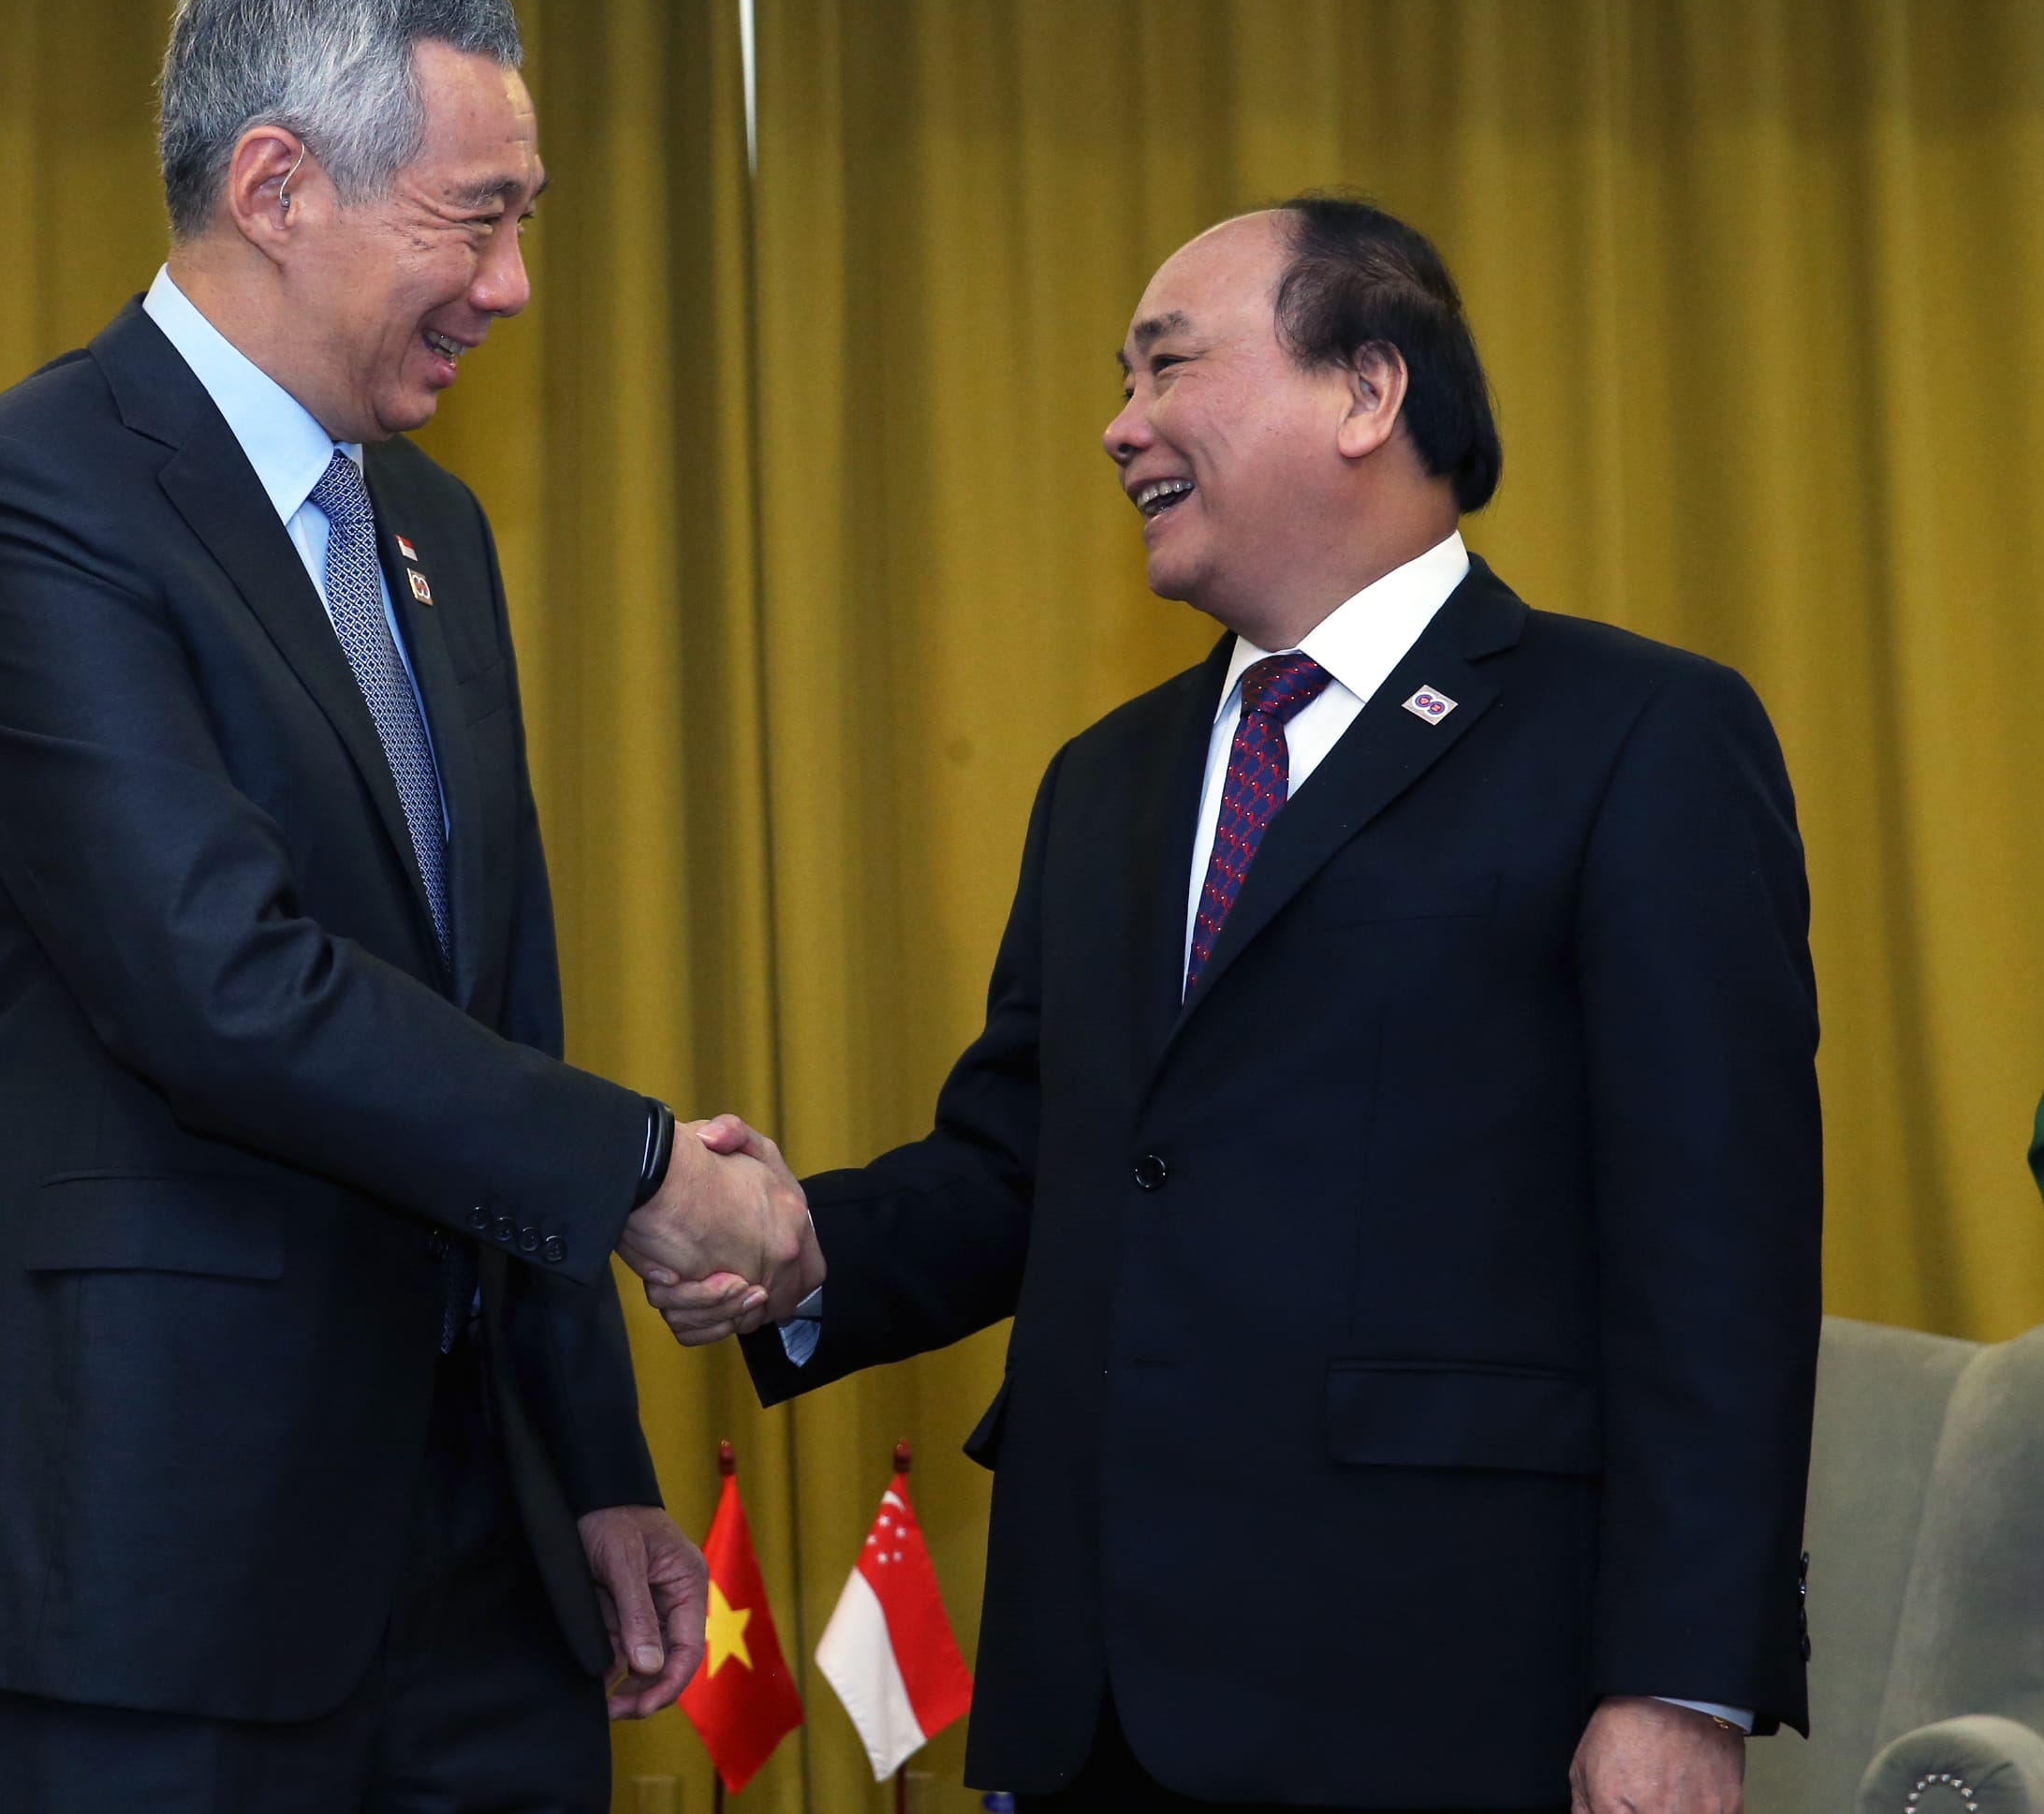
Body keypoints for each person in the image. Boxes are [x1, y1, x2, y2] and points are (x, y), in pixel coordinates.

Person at [650, 199, 1822, 1814]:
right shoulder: (1106, 781)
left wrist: (1680, 1683)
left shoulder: (1636, 735)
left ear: (1366, 391)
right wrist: (790, 1245)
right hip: (1100, 1700)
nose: (1120, 425)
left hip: (1448, 1691)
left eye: (1168, 365)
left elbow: (1718, 1248)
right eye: (1121, 380)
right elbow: (1023, 1167)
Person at [0, 0, 805, 1814]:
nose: (512, 285)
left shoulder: (434, 531)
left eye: (524, 221)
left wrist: (594, 1460)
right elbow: (214, 982)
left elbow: (497, 1007)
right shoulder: (23, 498)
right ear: (275, 186)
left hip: (482, 1566)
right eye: (474, 220)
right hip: (154, 1558)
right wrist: (645, 1170)